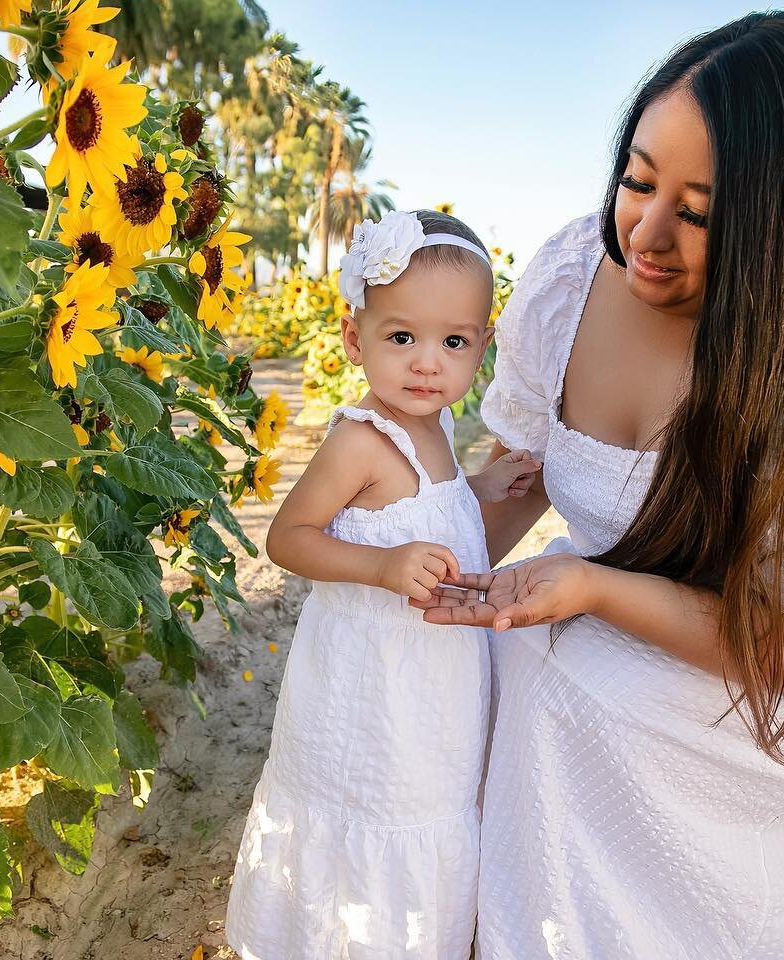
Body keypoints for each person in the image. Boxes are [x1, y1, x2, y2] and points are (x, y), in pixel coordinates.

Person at [412, 12, 784, 960]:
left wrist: (600, 588)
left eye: (698, 211)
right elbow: (520, 476)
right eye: (637, 180)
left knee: (585, 699)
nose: (646, 234)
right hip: (660, 588)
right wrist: (414, 567)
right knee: (511, 668)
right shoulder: (576, 274)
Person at [225, 209, 542, 958]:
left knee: (429, 800)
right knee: (371, 810)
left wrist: (481, 486)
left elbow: (432, 511)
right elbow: (288, 537)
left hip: (433, 687)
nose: (427, 363)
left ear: (481, 349)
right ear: (352, 337)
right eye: (402, 337)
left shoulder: (433, 430)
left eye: (453, 342)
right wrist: (381, 568)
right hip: (370, 689)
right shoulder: (358, 439)